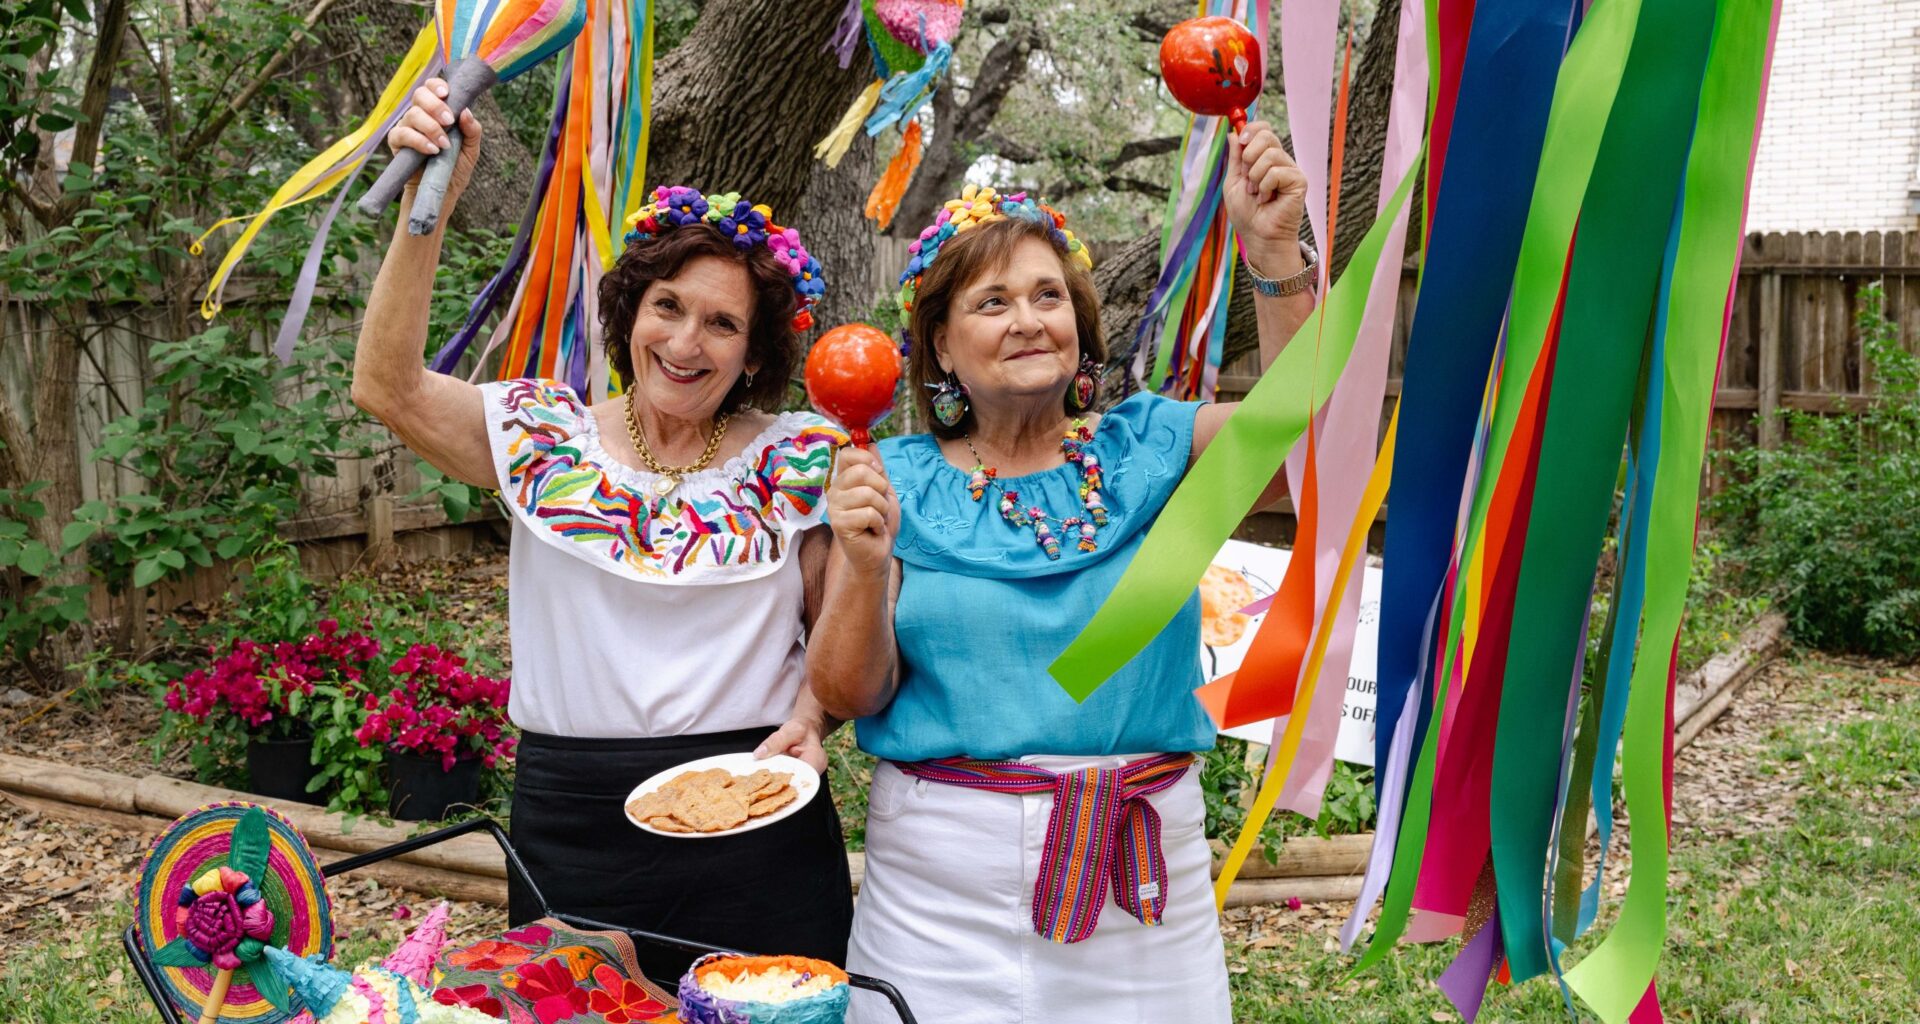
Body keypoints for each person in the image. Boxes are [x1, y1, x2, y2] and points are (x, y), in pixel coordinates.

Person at [809, 121, 1314, 1023]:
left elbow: (1308, 441)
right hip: (936, 898)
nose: (1029, 319)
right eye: (992, 302)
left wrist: (1274, 256)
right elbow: (850, 690)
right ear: (940, 348)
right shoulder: (889, 478)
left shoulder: (1153, 445)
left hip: (1142, 880)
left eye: (1048, 295)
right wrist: (859, 562)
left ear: (1079, 326)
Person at [354, 80, 851, 982]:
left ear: (753, 351)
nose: (687, 341)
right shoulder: (542, 434)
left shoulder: (801, 457)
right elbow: (386, 387)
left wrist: (813, 718)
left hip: (759, 816)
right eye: (668, 305)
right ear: (631, 311)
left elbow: (838, 635)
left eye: (722, 323)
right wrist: (430, 205)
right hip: (571, 820)